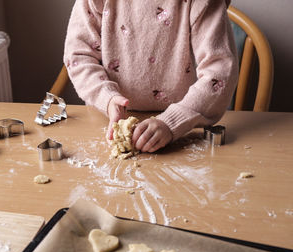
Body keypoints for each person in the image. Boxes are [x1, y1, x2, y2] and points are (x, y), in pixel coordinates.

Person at [64, 0, 238, 153]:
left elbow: (219, 71)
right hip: (107, 119)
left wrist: (172, 122)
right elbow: (79, 56)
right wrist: (107, 99)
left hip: (182, 126)